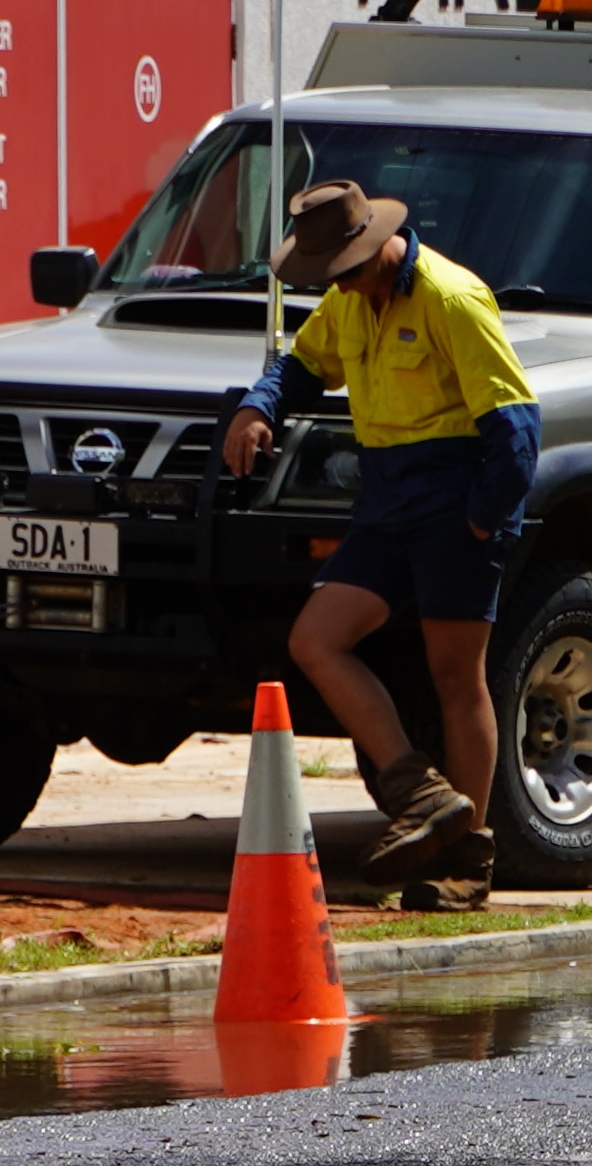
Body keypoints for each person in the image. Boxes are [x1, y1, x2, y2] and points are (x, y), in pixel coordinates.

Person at [219, 177, 539, 910]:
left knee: (456, 675)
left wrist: (483, 521)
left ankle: (467, 863)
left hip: (457, 501)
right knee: (317, 640)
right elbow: (300, 366)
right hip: (389, 500)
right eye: (332, 277)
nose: (343, 287)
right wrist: (256, 408)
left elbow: (518, 428)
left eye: (349, 271)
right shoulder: (348, 297)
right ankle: (420, 791)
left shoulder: (452, 299)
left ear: (379, 246)